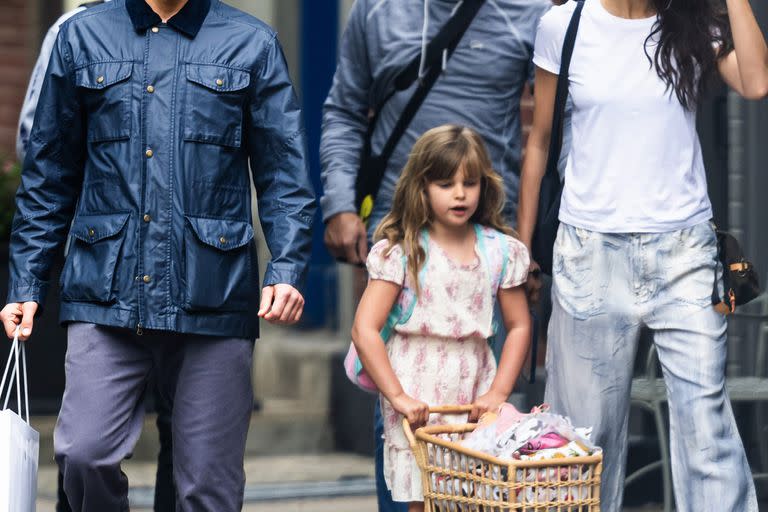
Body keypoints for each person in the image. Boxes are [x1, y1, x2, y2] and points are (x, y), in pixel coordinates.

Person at [0, 0, 316, 510]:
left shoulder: (252, 43)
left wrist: (287, 267)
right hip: (105, 288)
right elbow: (48, 177)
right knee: (84, 453)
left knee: (207, 489)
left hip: (214, 291)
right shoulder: (81, 37)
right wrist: (27, 283)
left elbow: (284, 174)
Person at [517, 0, 768, 510]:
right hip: (590, 251)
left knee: (707, 430)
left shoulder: (695, 21)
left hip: (685, 254)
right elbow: (539, 143)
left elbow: (757, 82)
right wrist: (524, 253)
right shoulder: (563, 27)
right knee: (585, 441)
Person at [320, 2, 552, 508]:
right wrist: (339, 203)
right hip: (397, 229)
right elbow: (344, 109)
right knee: (399, 407)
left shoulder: (530, 14)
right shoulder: (376, 11)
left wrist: (531, 240)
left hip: (491, 242)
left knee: (479, 437)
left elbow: (555, 128)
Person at [15, 3, 174, 511]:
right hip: (99, 269)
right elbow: (39, 146)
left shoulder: (228, 34)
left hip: (190, 272)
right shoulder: (74, 32)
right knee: (85, 444)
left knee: (192, 446)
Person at [351, 125, 532, 512]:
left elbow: (519, 326)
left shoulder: (501, 250)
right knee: (422, 499)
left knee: (474, 496)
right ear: (422, 187)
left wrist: (499, 393)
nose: (461, 193)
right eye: (446, 183)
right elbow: (364, 329)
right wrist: (398, 397)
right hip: (417, 391)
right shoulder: (401, 253)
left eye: (470, 182)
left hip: (475, 390)